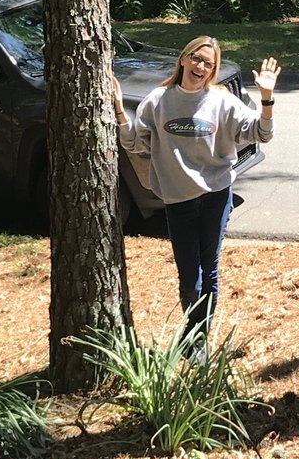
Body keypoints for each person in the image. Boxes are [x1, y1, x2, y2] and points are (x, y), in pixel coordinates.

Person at [113, 36, 280, 356]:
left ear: (213, 70)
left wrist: (268, 99)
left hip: (216, 196)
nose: (200, 66)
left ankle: (197, 340)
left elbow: (261, 134)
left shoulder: (222, 102)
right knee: (191, 276)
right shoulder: (159, 100)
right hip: (178, 200)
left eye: (208, 63)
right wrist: (121, 111)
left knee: (210, 270)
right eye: (196, 58)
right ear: (183, 60)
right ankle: (194, 337)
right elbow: (135, 144)